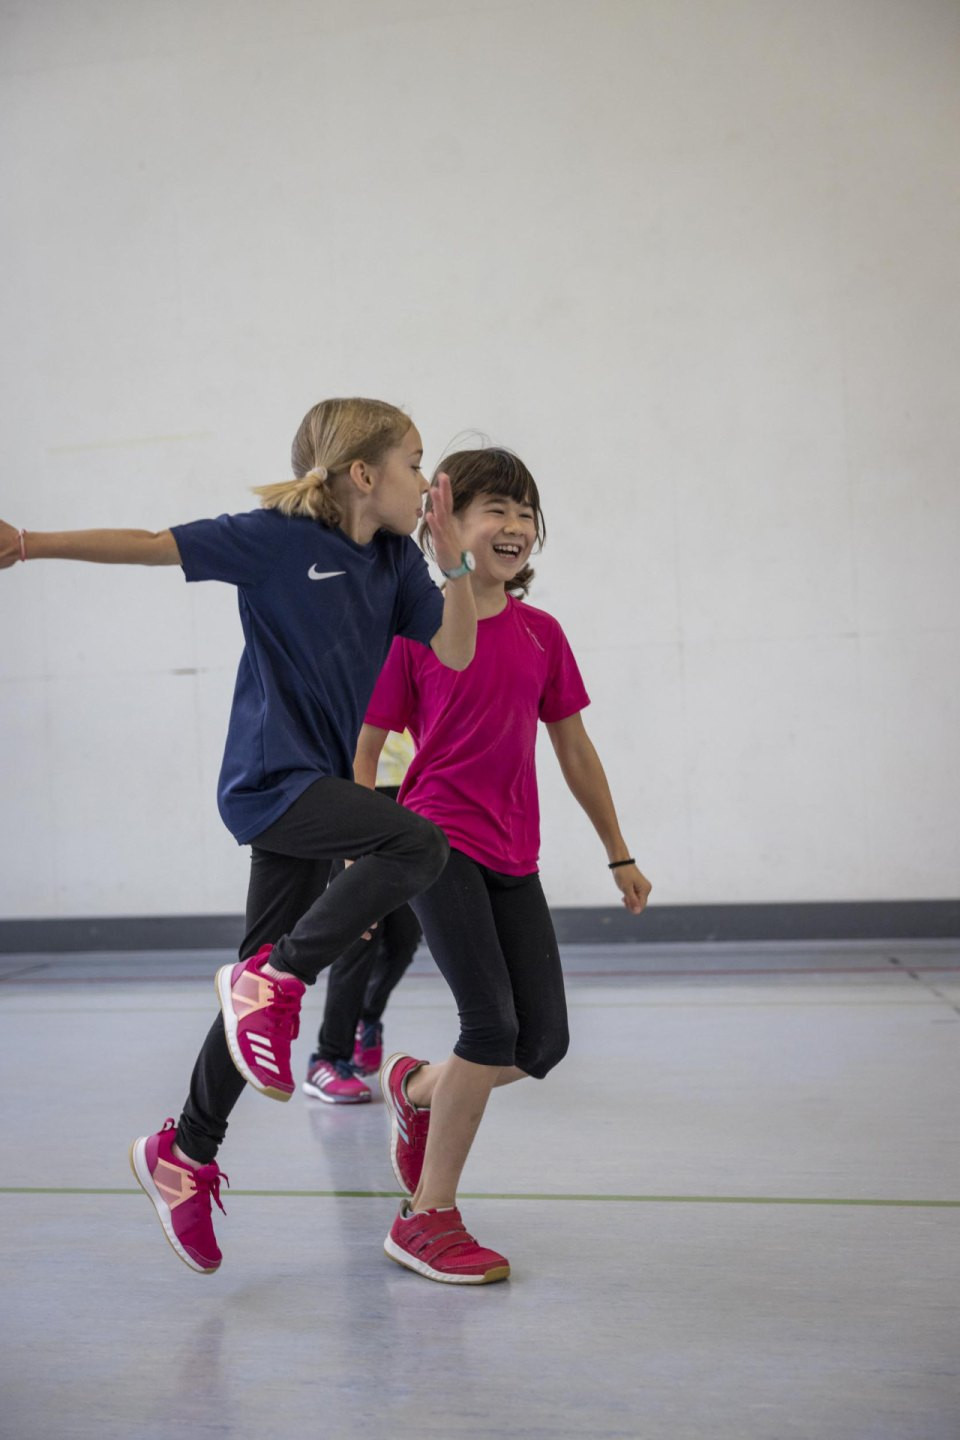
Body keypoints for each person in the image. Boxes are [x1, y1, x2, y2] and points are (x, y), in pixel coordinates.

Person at [0, 397, 478, 1274]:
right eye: (414, 463)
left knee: (255, 976)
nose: (426, 481)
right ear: (363, 474)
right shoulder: (272, 539)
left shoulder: (397, 566)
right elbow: (151, 544)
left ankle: (184, 1151)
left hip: (320, 792)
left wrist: (451, 566)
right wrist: (28, 542)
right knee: (416, 845)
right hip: (270, 781)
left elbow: (452, 653)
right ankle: (277, 982)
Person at [355, 447, 652, 1285]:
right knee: (489, 1028)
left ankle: (414, 1090)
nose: (514, 525)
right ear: (446, 522)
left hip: (513, 852)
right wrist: (362, 861)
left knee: (541, 1041)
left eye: (525, 511)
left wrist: (618, 851)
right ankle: (426, 1218)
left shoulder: (542, 634)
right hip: (433, 840)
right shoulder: (416, 633)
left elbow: (575, 748)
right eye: (494, 509)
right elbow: (368, 749)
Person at [303, 729, 425, 1103]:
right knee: (360, 939)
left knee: (406, 936)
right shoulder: (348, 671)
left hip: (413, 793)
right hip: (355, 790)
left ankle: (367, 1018)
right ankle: (328, 1058)